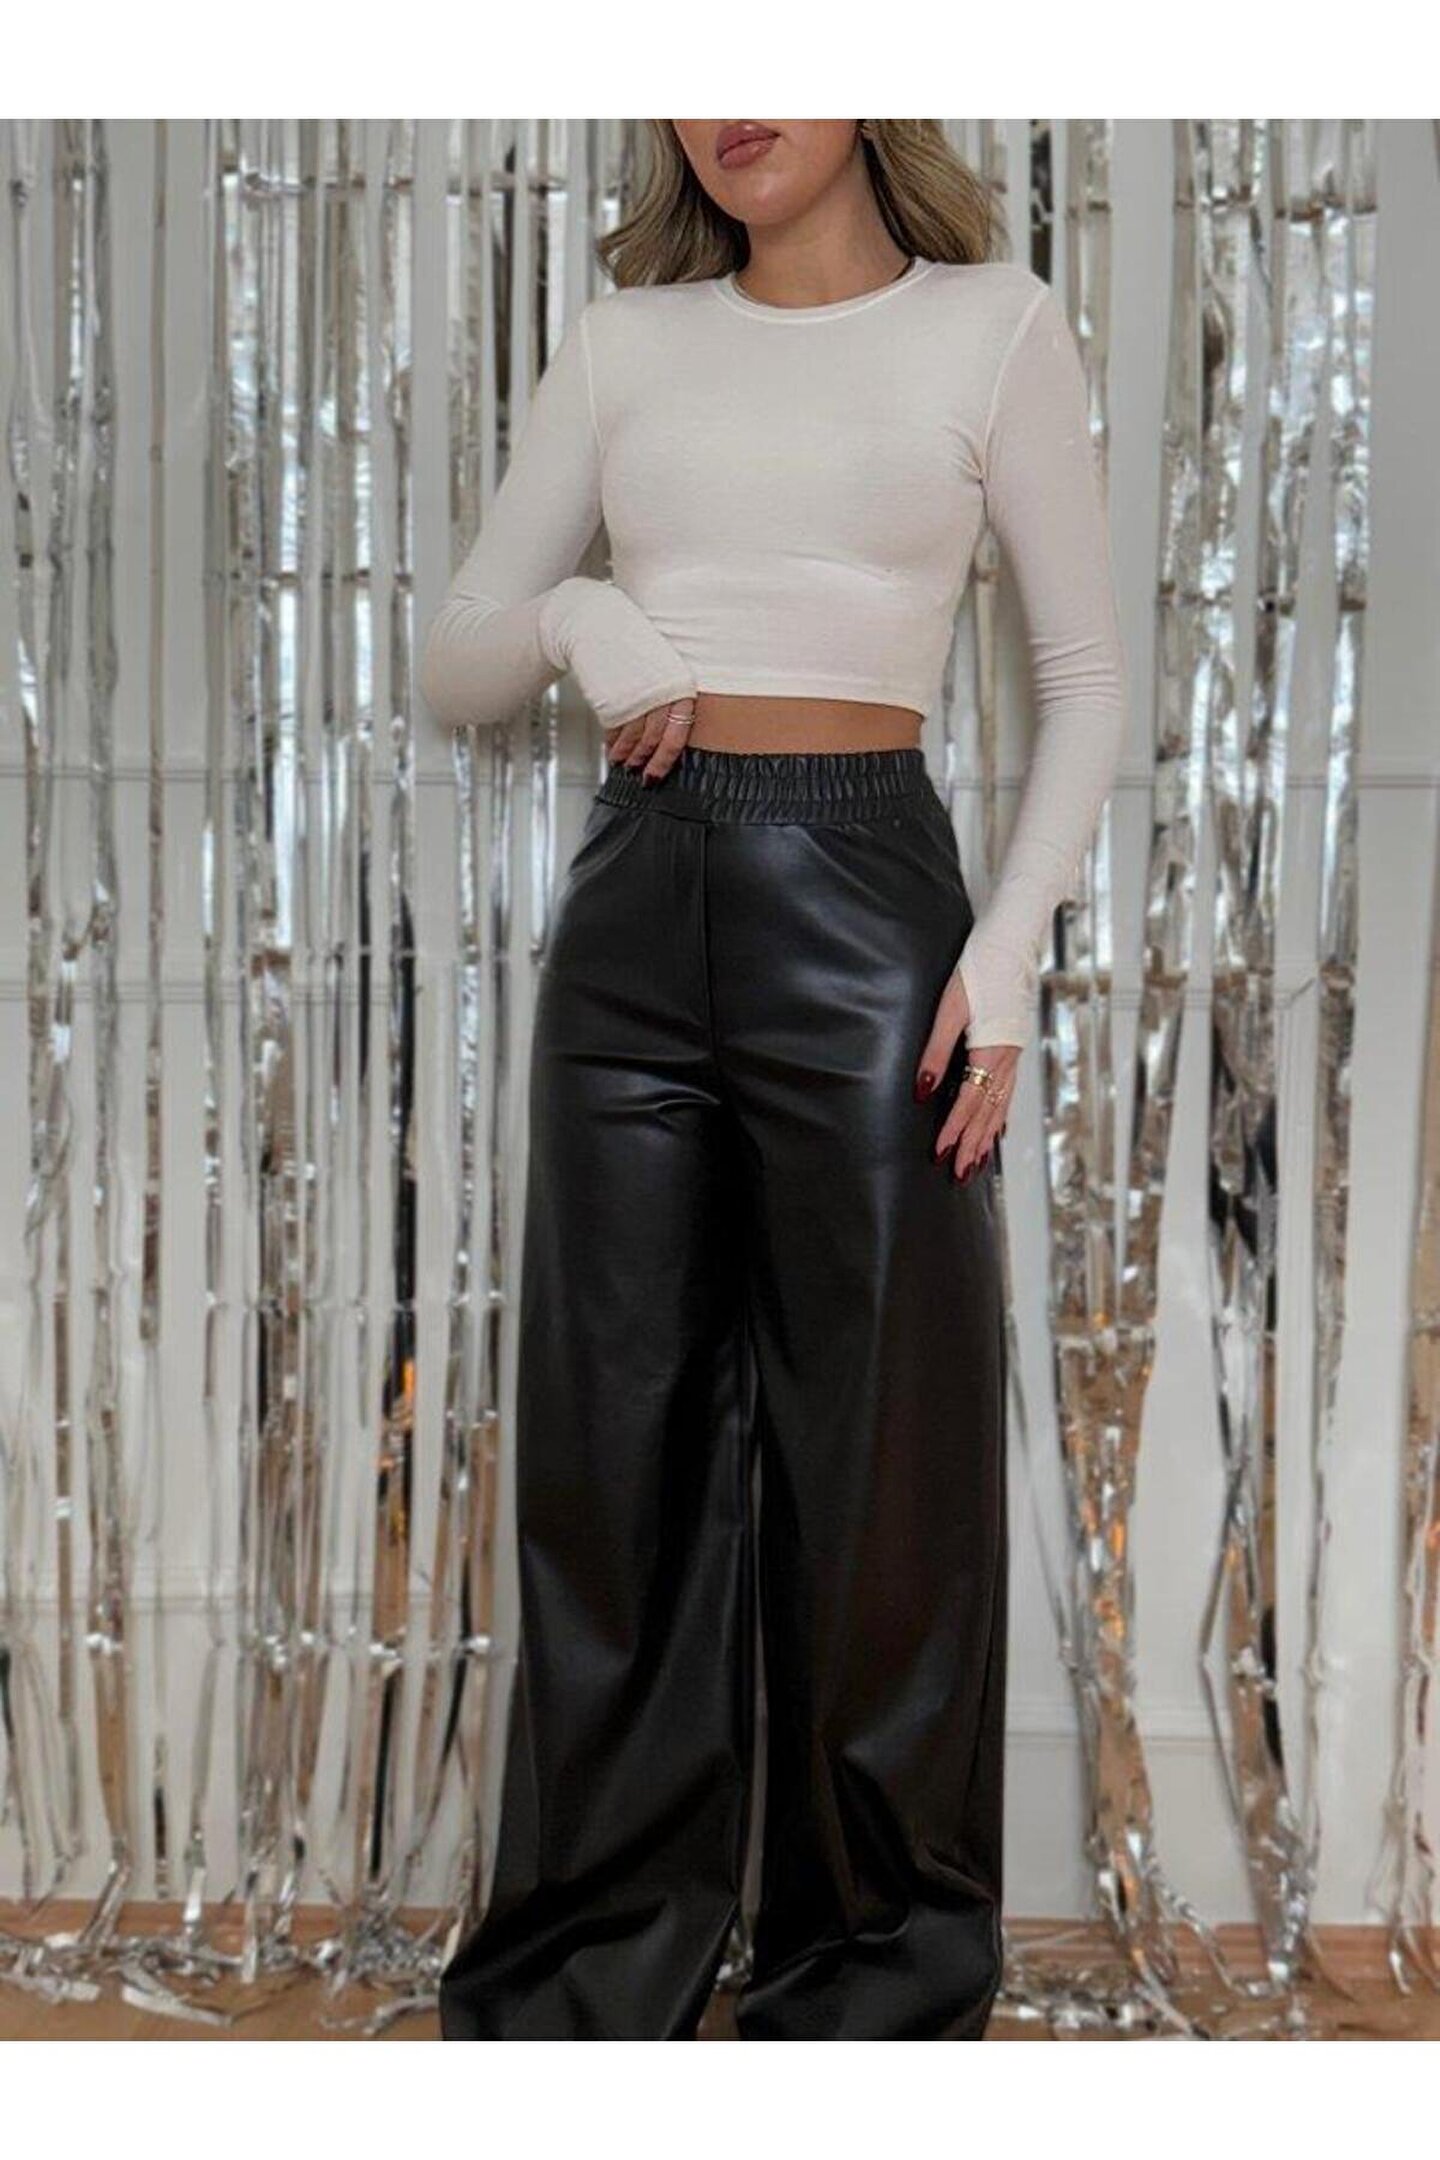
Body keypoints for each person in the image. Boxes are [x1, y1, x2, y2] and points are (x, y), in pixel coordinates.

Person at [419, 118, 1127, 2041]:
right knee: (616, 1463)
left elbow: (1084, 678)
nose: (730, 94)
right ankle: (588, 1988)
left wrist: (1004, 957)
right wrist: (584, 618)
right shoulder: (627, 342)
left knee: (883, 1473)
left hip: (873, 908)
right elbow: (458, 654)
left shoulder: (993, 324)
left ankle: (871, 1992)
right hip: (637, 916)